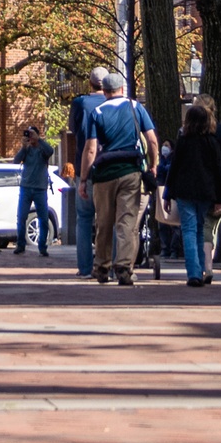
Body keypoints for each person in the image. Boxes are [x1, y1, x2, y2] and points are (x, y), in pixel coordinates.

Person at [78, 69, 157, 286]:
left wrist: (84, 179)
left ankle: (101, 267)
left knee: (103, 222)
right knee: (127, 222)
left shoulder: (97, 112)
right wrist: (153, 165)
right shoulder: (135, 107)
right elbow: (151, 140)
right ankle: (123, 267)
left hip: (104, 175)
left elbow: (91, 149)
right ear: (122, 89)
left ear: (104, 91)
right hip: (130, 171)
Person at [162, 102, 221, 288]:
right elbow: (219, 171)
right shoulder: (212, 142)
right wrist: (220, 198)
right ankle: (202, 269)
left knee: (188, 230)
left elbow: (174, 169)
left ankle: (193, 272)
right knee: (200, 230)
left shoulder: (183, 142)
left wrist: (167, 195)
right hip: (205, 193)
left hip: (185, 192)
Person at [62, 68, 105, 278]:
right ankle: (114, 265)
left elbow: (73, 128)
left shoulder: (80, 103)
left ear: (90, 83)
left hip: (85, 167)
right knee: (111, 219)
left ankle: (85, 268)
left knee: (84, 218)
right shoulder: (116, 103)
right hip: (109, 168)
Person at [191, 95, 221, 270]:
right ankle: (207, 264)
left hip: (195, 188)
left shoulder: (187, 132)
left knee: (200, 228)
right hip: (219, 189)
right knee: (210, 229)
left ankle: (204, 266)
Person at [14, 123, 57, 258]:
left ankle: (42, 246)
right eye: (29, 134)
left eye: (32, 133)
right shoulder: (26, 149)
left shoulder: (42, 149)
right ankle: (20, 245)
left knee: (43, 218)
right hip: (26, 187)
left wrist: (38, 140)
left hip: (40, 188)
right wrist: (23, 147)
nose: (30, 136)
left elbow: (50, 151)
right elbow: (16, 161)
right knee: (21, 217)